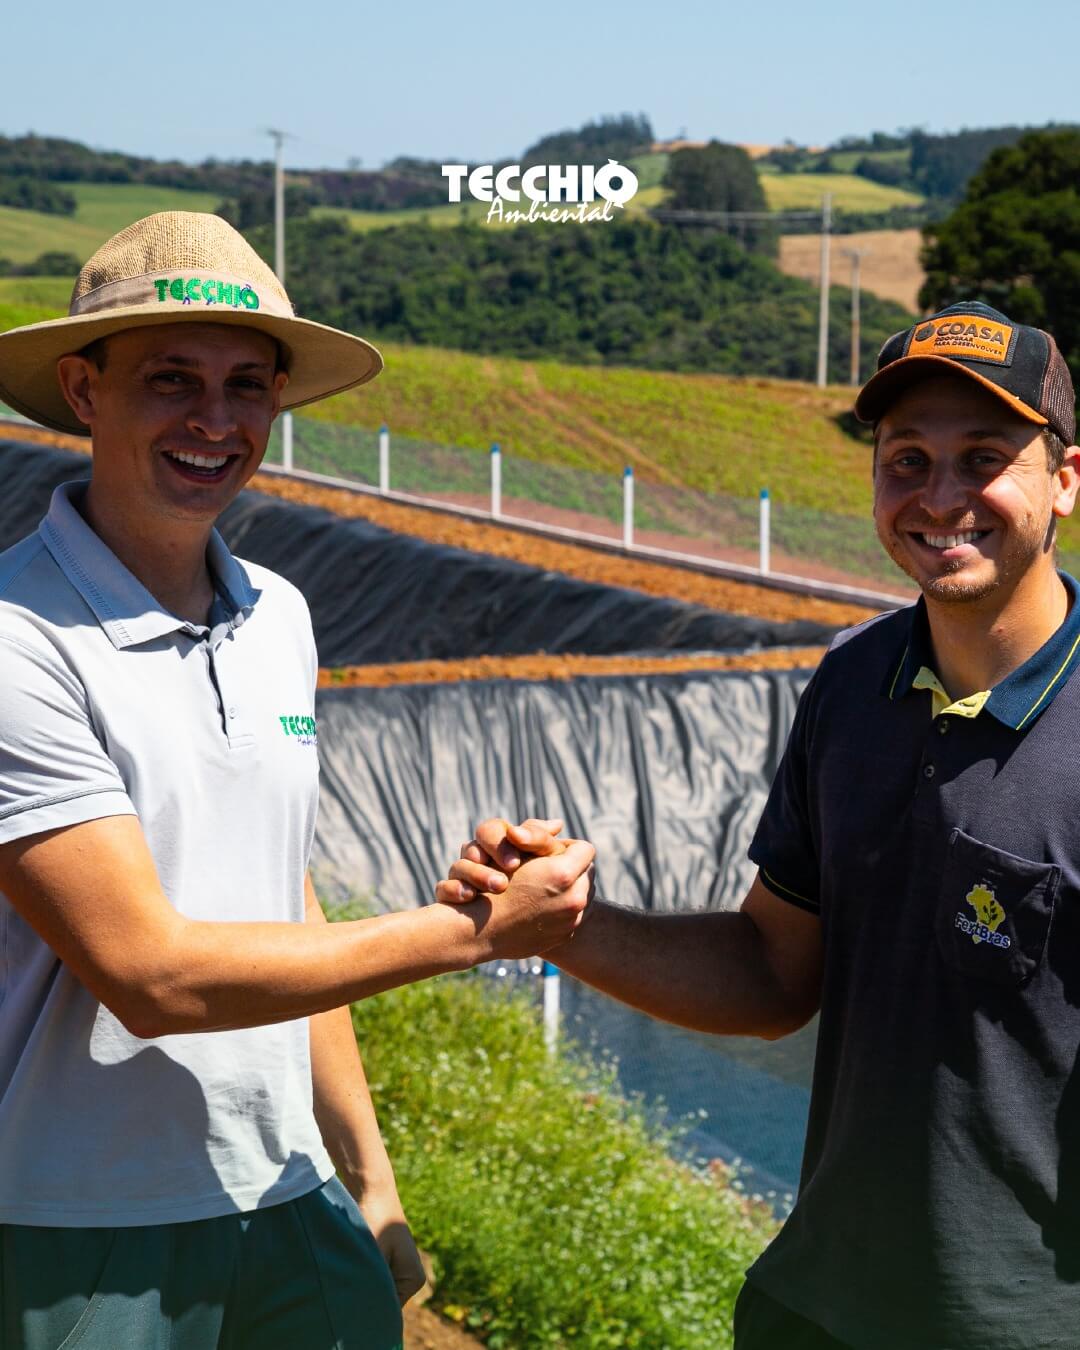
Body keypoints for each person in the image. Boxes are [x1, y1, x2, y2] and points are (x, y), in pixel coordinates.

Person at [0, 211, 594, 1350]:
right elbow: (150, 974)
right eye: (172, 379)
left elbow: (286, 896)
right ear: (83, 390)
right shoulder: (19, 639)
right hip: (80, 1226)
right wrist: (472, 931)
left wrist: (369, 1178)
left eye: (246, 385)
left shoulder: (280, 615)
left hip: (288, 1194)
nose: (215, 422)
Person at [441, 301, 1080, 1349]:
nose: (941, 498)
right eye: (907, 458)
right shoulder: (852, 686)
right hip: (815, 1307)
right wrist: (563, 924)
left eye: (984, 457)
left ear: (1064, 480)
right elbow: (774, 973)